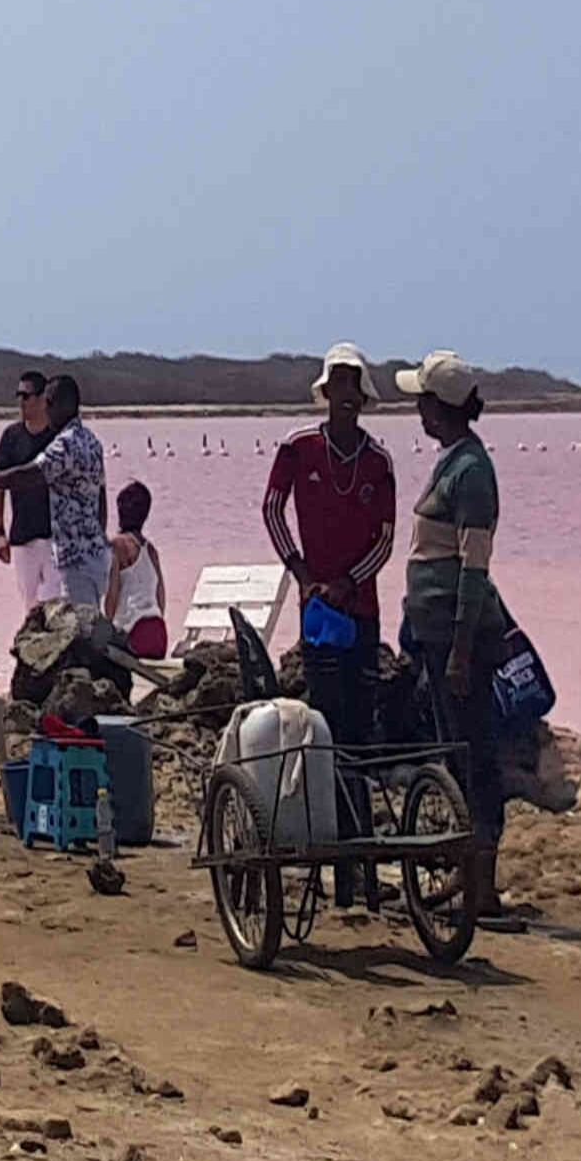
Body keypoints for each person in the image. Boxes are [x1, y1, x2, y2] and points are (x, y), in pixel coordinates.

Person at [264, 343, 401, 899]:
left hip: (360, 613)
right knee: (323, 729)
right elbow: (271, 510)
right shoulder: (298, 448)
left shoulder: (378, 461)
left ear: (363, 397)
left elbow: (386, 541)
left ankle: (360, 865)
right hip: (318, 613)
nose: (346, 394)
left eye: (354, 384)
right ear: (325, 392)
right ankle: (337, 865)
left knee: (359, 736)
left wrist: (348, 583)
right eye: (337, 383)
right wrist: (301, 573)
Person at [397, 355, 516, 924]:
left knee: (474, 755)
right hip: (436, 634)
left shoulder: (472, 472)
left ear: (439, 408)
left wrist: (462, 652)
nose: (417, 409)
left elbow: (474, 568)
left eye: (422, 400)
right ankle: (466, 873)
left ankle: (482, 887)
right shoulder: (451, 461)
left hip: (457, 639)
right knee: (455, 751)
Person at [0, 373, 109, 614]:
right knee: (79, 620)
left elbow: (29, 475)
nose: (46, 409)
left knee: (66, 624)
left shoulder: (65, 444)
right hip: (92, 556)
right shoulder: (92, 442)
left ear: (61, 405)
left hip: (72, 559)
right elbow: (102, 498)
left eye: (49, 403)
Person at [0, 372, 59, 615]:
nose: (21, 402)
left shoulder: (57, 437)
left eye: (26, 396)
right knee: (30, 608)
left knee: (56, 606)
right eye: (18, 395)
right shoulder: (11, 437)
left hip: (55, 537)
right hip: (22, 536)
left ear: (42, 399)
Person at [108, 483, 170, 658]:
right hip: (158, 633)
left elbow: (112, 595)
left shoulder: (117, 546)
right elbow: (161, 597)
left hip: (134, 634)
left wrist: (106, 628)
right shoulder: (151, 551)